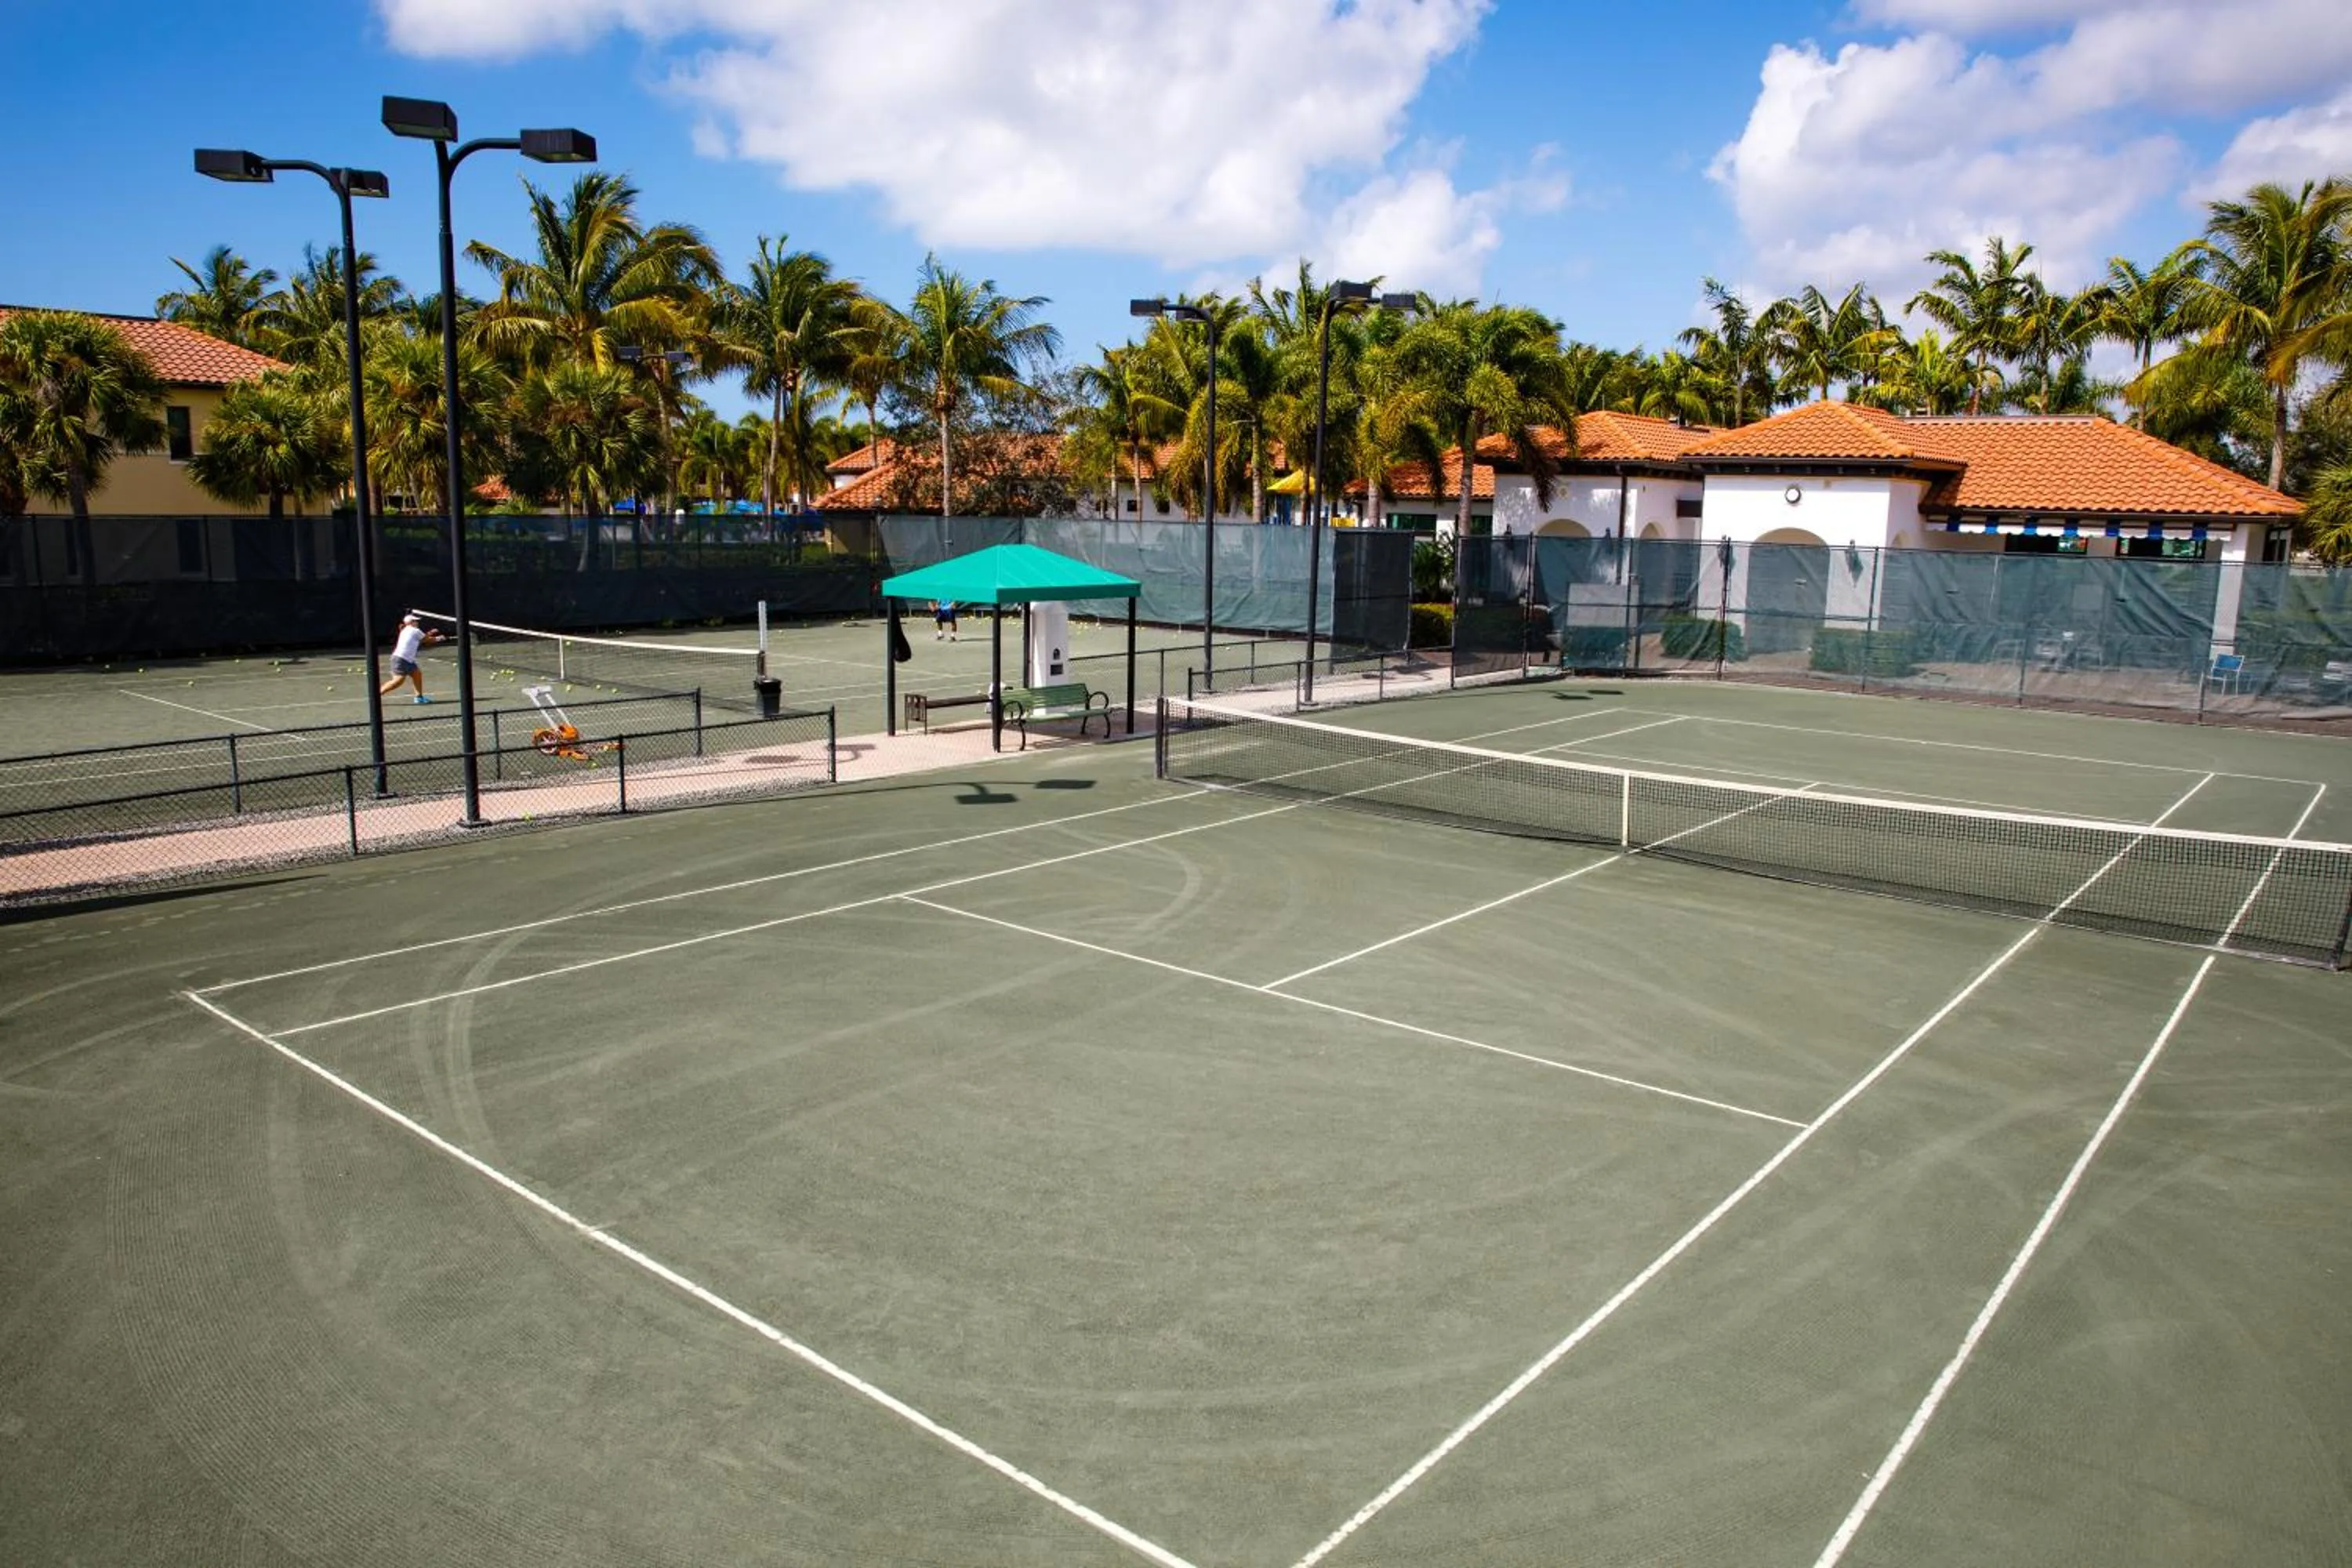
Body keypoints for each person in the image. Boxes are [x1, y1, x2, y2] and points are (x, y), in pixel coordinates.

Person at [379, 612, 446, 704]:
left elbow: (421, 638)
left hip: (407, 660)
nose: (417, 623)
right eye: (415, 621)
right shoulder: (415, 631)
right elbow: (427, 640)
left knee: (417, 674)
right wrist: (440, 638)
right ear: (410, 622)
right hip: (401, 659)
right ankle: (377, 695)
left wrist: (430, 633)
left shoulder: (407, 630)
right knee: (398, 681)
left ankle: (419, 697)